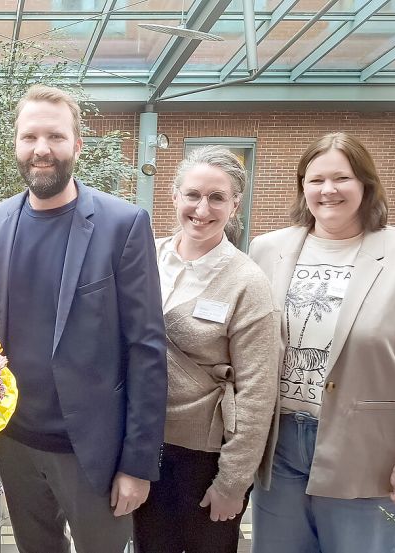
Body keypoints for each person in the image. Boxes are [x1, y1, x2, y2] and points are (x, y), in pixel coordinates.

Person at [248, 132, 395, 553]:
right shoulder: (267, 249)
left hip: (369, 454)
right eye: (315, 180)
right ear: (302, 187)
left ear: (365, 184)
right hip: (278, 450)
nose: (327, 190)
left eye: (341, 178)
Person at [0, 84, 167, 553]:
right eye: (29, 137)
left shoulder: (122, 224)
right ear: (16, 144)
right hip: (17, 446)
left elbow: (146, 348)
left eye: (55, 137)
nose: (41, 149)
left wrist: (138, 464)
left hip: (94, 455)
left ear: (78, 145)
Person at [132, 146, 281, 553]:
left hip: (205, 457)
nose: (203, 208)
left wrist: (233, 482)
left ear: (235, 205)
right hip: (142, 443)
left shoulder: (247, 283)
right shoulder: (144, 257)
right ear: (174, 196)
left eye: (217, 197)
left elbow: (258, 390)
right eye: (193, 194)